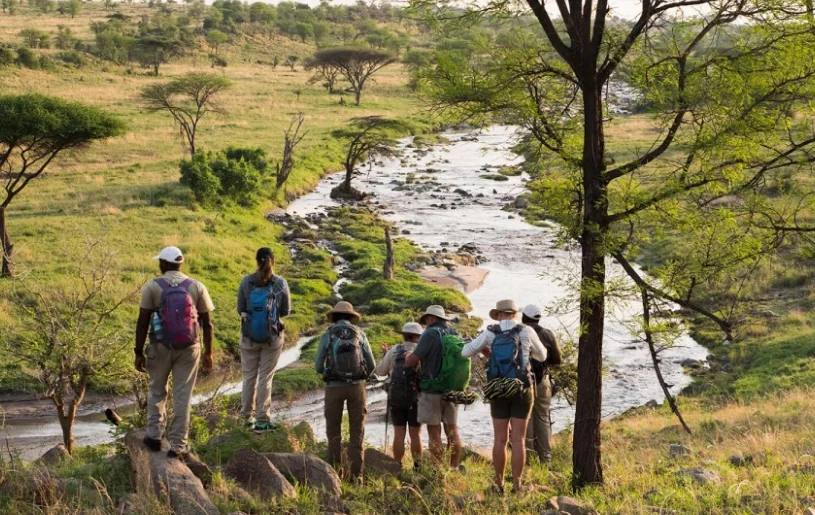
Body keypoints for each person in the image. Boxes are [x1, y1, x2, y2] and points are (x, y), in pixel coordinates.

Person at [134, 246, 215, 459]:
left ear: (164, 264)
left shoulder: (153, 287)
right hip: (189, 348)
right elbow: (207, 324)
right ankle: (178, 445)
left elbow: (142, 322)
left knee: (156, 390)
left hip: (160, 346)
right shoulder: (197, 286)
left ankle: (154, 436)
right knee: (183, 395)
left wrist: (138, 351)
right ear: (180, 263)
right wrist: (209, 353)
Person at [462, 299, 546, 494]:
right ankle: (517, 485)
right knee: (519, 440)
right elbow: (542, 356)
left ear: (498, 315)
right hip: (522, 388)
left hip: (498, 388)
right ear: (515, 314)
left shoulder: (490, 332)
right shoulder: (526, 331)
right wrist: (525, 354)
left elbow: (465, 352)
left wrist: (487, 352)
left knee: (499, 439)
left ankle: (498, 484)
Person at [314, 301, 376, 479]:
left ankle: (334, 474)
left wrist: (329, 373)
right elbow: (371, 365)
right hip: (357, 388)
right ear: (351, 317)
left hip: (333, 388)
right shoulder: (360, 334)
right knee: (357, 430)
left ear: (334, 317)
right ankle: (357, 476)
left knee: (334, 432)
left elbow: (318, 365)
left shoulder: (328, 335)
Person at [237, 247, 291, 434]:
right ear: (272, 261)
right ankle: (262, 420)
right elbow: (285, 311)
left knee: (249, 376)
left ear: (256, 261)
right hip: (272, 338)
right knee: (265, 378)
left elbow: (240, 308)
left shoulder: (246, 281)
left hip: (249, 336)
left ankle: (245, 418)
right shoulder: (280, 283)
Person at [405, 305, 463, 471]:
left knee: (434, 431)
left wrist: (407, 356)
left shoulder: (429, 333)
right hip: (452, 389)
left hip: (431, 390)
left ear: (430, 318)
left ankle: (438, 470)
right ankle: (454, 467)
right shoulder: (454, 333)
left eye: (426, 320)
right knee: (452, 430)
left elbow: (412, 361)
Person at [374, 322, 424, 470]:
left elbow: (381, 372)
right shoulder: (421, 351)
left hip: (395, 397)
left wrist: (385, 355)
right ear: (417, 337)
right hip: (416, 398)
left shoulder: (394, 350)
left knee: (399, 434)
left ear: (403, 336)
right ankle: (417, 467)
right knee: (415, 435)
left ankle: (397, 466)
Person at [521, 304, 562, 464]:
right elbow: (558, 360)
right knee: (543, 418)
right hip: (543, 381)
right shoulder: (547, 334)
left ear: (524, 318)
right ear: (538, 318)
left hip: (524, 382)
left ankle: (529, 459)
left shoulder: (519, 333)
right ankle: (546, 459)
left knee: (527, 418)